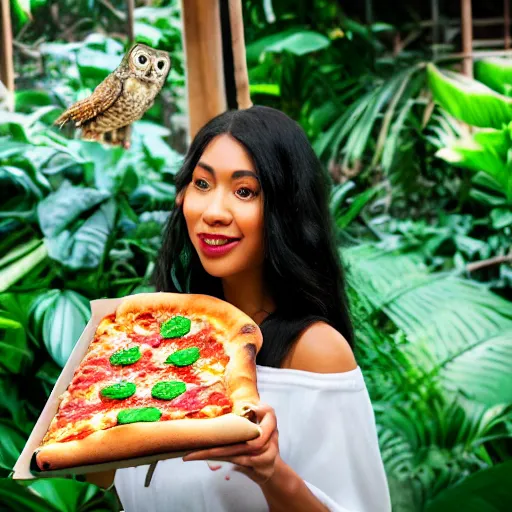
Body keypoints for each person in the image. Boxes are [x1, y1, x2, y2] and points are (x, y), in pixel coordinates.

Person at [112, 106, 392, 511]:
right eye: (202, 183)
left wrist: (269, 471)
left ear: (285, 211)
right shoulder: (164, 338)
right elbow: (103, 474)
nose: (214, 212)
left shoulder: (316, 351)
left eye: (244, 191)